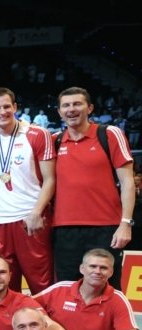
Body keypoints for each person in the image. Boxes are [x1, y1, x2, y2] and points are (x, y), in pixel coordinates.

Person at [53, 87, 135, 288]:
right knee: (67, 289)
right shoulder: (55, 141)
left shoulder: (109, 134)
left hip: (105, 228)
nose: (71, 109)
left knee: (106, 288)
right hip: (64, 230)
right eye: (66, 105)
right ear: (59, 112)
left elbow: (128, 182)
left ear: (89, 108)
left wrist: (125, 223)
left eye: (77, 104)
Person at [0, 88, 56, 293]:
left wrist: (36, 212)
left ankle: (44, 316)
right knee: (2, 284)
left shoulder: (37, 134)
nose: (2, 112)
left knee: (41, 282)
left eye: (7, 106)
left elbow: (50, 179)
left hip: (30, 217)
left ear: (15, 107)